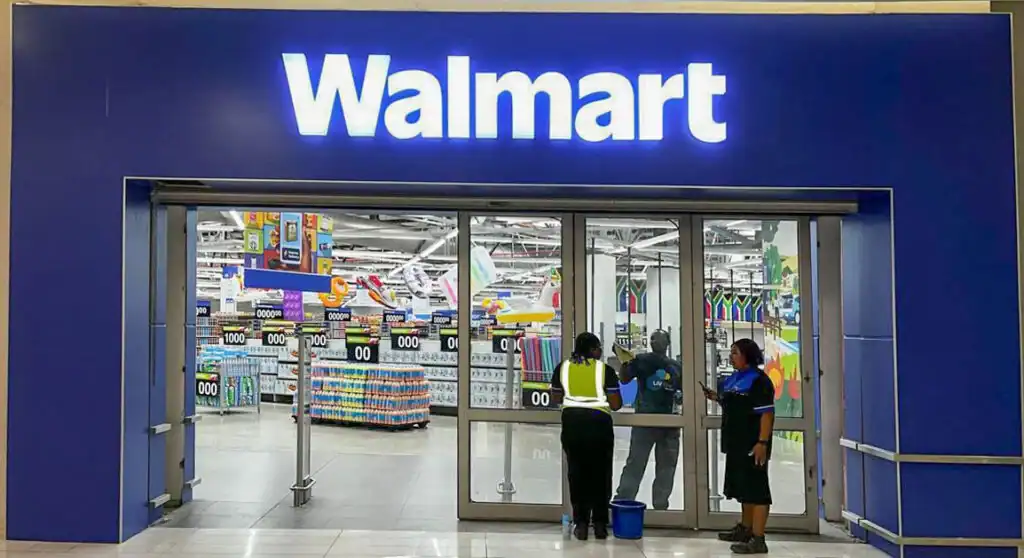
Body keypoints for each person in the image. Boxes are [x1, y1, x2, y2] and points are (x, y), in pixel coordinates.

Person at [702, 338, 775, 555]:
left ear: (748, 355)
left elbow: (766, 414)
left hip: (753, 443)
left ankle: (758, 538)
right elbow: (734, 404)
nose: (731, 356)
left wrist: (762, 442)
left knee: (757, 489)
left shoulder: (759, 381)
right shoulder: (734, 379)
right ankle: (745, 528)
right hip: (735, 443)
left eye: (735, 352)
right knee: (744, 489)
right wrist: (716, 397)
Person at [550, 332, 623, 541]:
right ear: (592, 350)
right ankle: (600, 525)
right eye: (598, 348)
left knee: (577, 474)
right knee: (600, 476)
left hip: (573, 425)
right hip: (599, 426)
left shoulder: (563, 367)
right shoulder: (604, 370)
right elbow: (616, 404)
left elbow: (556, 397)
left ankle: (581, 524)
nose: (600, 351)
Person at [614, 330, 682, 509]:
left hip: (650, 421)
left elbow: (624, 377)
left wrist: (625, 362)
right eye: (653, 338)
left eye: (656, 338)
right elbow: (625, 377)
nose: (654, 341)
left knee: (638, 464)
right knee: (663, 468)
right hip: (666, 422)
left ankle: (624, 501)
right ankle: (657, 505)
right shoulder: (675, 366)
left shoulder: (643, 361)